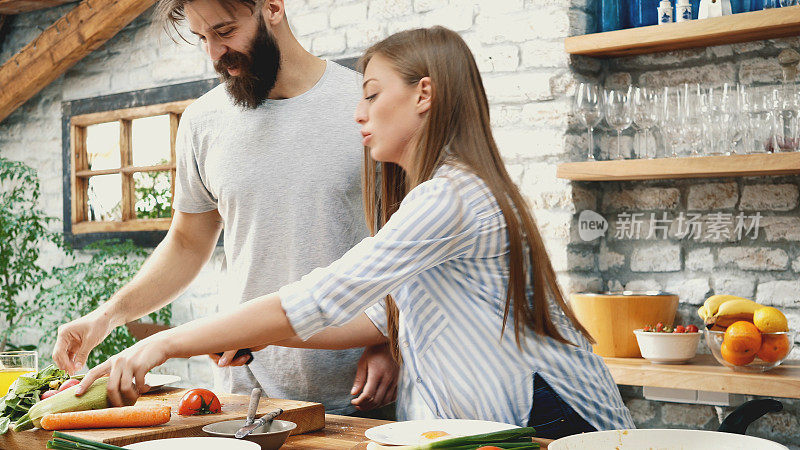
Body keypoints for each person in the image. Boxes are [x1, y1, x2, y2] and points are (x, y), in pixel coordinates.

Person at [75, 26, 635, 438]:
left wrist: (166, 341)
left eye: (371, 95)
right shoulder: (437, 193)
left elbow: (321, 297)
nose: (357, 112)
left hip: (555, 419)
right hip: (501, 424)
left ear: (423, 94)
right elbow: (372, 313)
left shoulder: (449, 197)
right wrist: (256, 334)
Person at [53, 0, 398, 416]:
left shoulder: (366, 104)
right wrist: (106, 317)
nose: (215, 53)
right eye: (202, 38)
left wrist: (391, 341)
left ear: (272, 7)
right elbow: (185, 244)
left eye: (225, 31)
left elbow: (412, 249)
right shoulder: (203, 121)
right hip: (243, 396)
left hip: (362, 394)